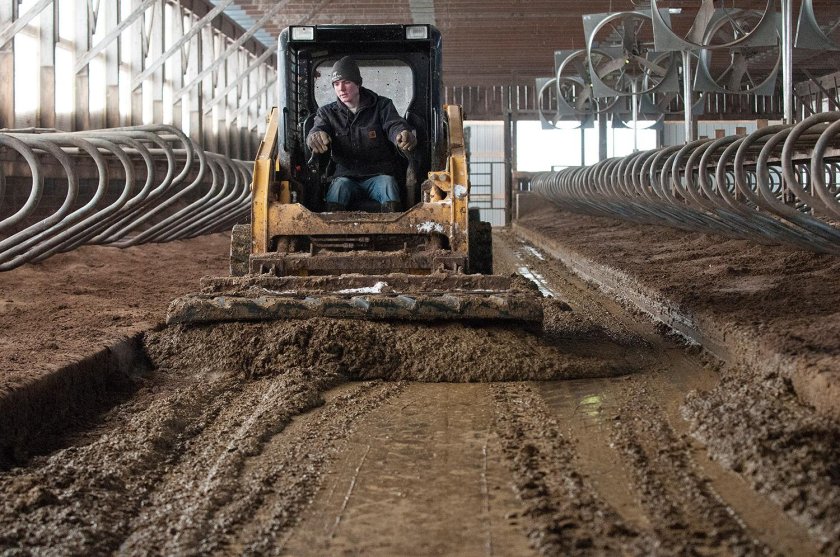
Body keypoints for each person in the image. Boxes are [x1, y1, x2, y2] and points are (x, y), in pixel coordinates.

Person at [306, 56, 417, 212]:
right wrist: (315, 135)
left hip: (379, 174)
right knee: (337, 189)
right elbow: (319, 128)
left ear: (358, 83)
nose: (341, 89)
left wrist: (402, 133)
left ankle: (394, 234)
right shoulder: (327, 113)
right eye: (336, 84)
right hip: (345, 176)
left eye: (346, 82)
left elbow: (394, 125)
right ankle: (332, 234)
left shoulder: (382, 106)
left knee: (388, 185)